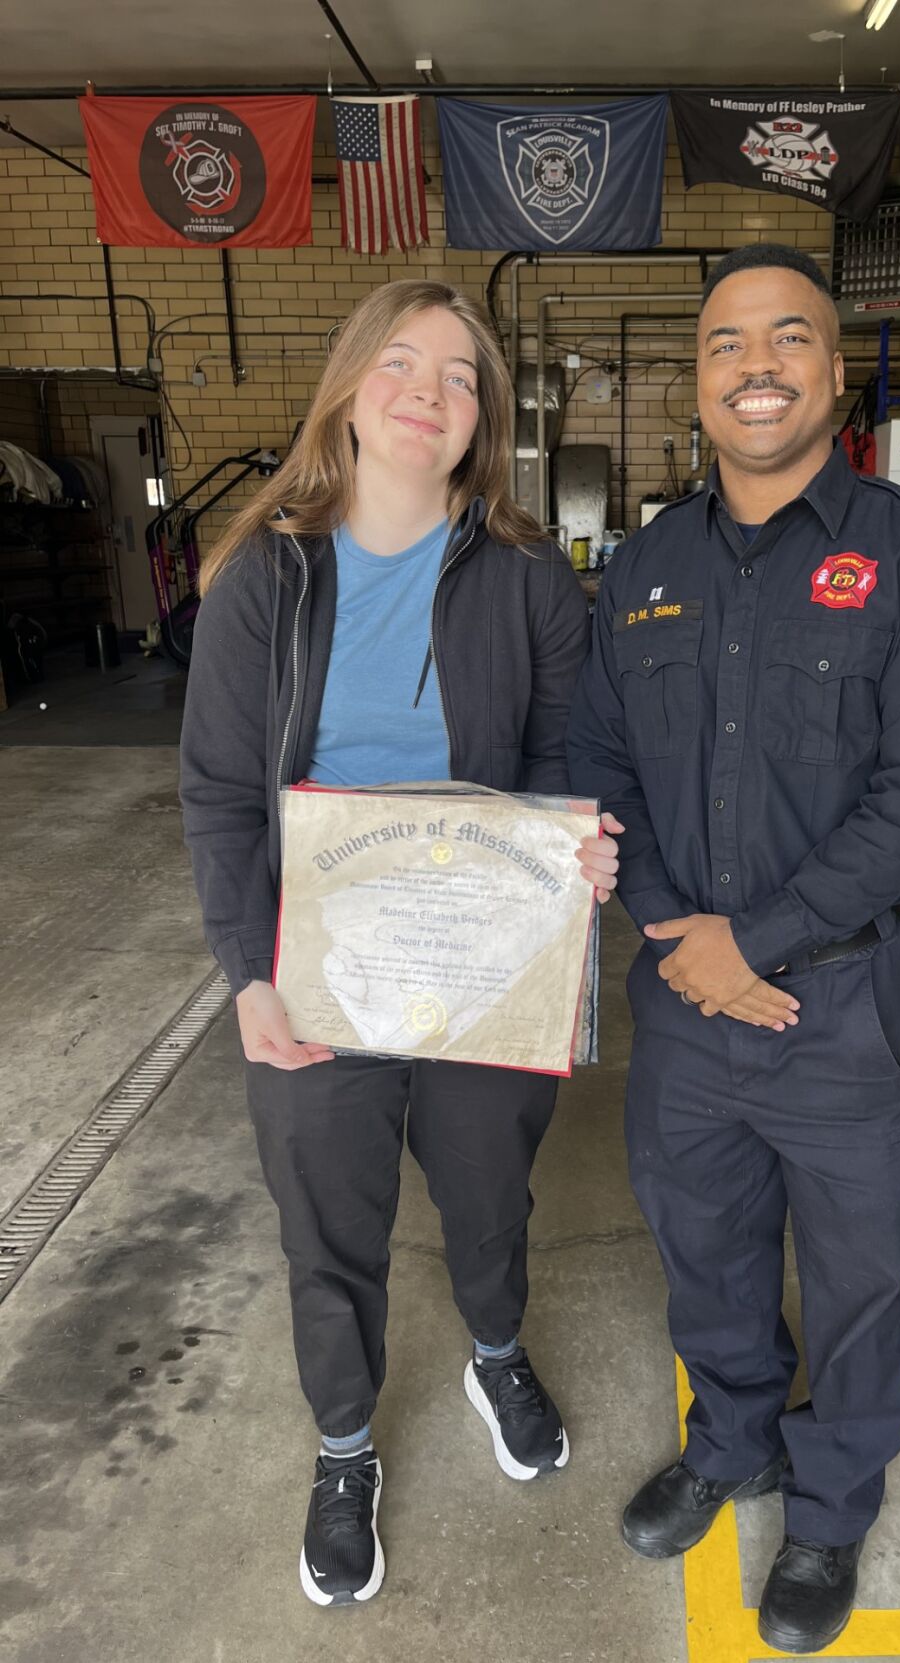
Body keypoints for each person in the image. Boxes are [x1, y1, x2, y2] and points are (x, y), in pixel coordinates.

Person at [566, 244, 900, 1653]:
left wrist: (754, 939)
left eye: (788, 338)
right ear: (696, 386)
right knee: (704, 1247)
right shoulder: (643, 565)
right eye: (725, 346)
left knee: (865, 1272)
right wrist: (674, 938)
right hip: (685, 1007)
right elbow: (600, 760)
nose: (756, 366)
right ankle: (736, 1441)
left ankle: (830, 1505)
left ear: (833, 368)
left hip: (844, 1006)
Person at [180, 279, 620, 1608]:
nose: (428, 388)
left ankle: (496, 1349)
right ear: (352, 387)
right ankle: (345, 1446)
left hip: (487, 957)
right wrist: (249, 975)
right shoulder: (265, 575)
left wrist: (578, 854)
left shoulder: (532, 578)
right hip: (316, 964)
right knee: (330, 1219)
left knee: (490, 1193)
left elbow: (560, 760)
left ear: (482, 418)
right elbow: (216, 791)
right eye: (401, 361)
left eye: (461, 374)